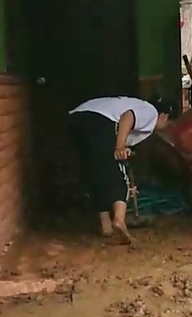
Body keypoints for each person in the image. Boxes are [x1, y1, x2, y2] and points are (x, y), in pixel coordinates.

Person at [68, 96, 172, 243]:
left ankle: (106, 226)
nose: (167, 127)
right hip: (101, 120)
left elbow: (121, 133)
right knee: (118, 174)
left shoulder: (138, 107)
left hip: (78, 118)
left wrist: (123, 147)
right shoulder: (151, 113)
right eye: (169, 123)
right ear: (164, 116)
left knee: (96, 172)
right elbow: (128, 116)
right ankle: (119, 220)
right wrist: (120, 147)